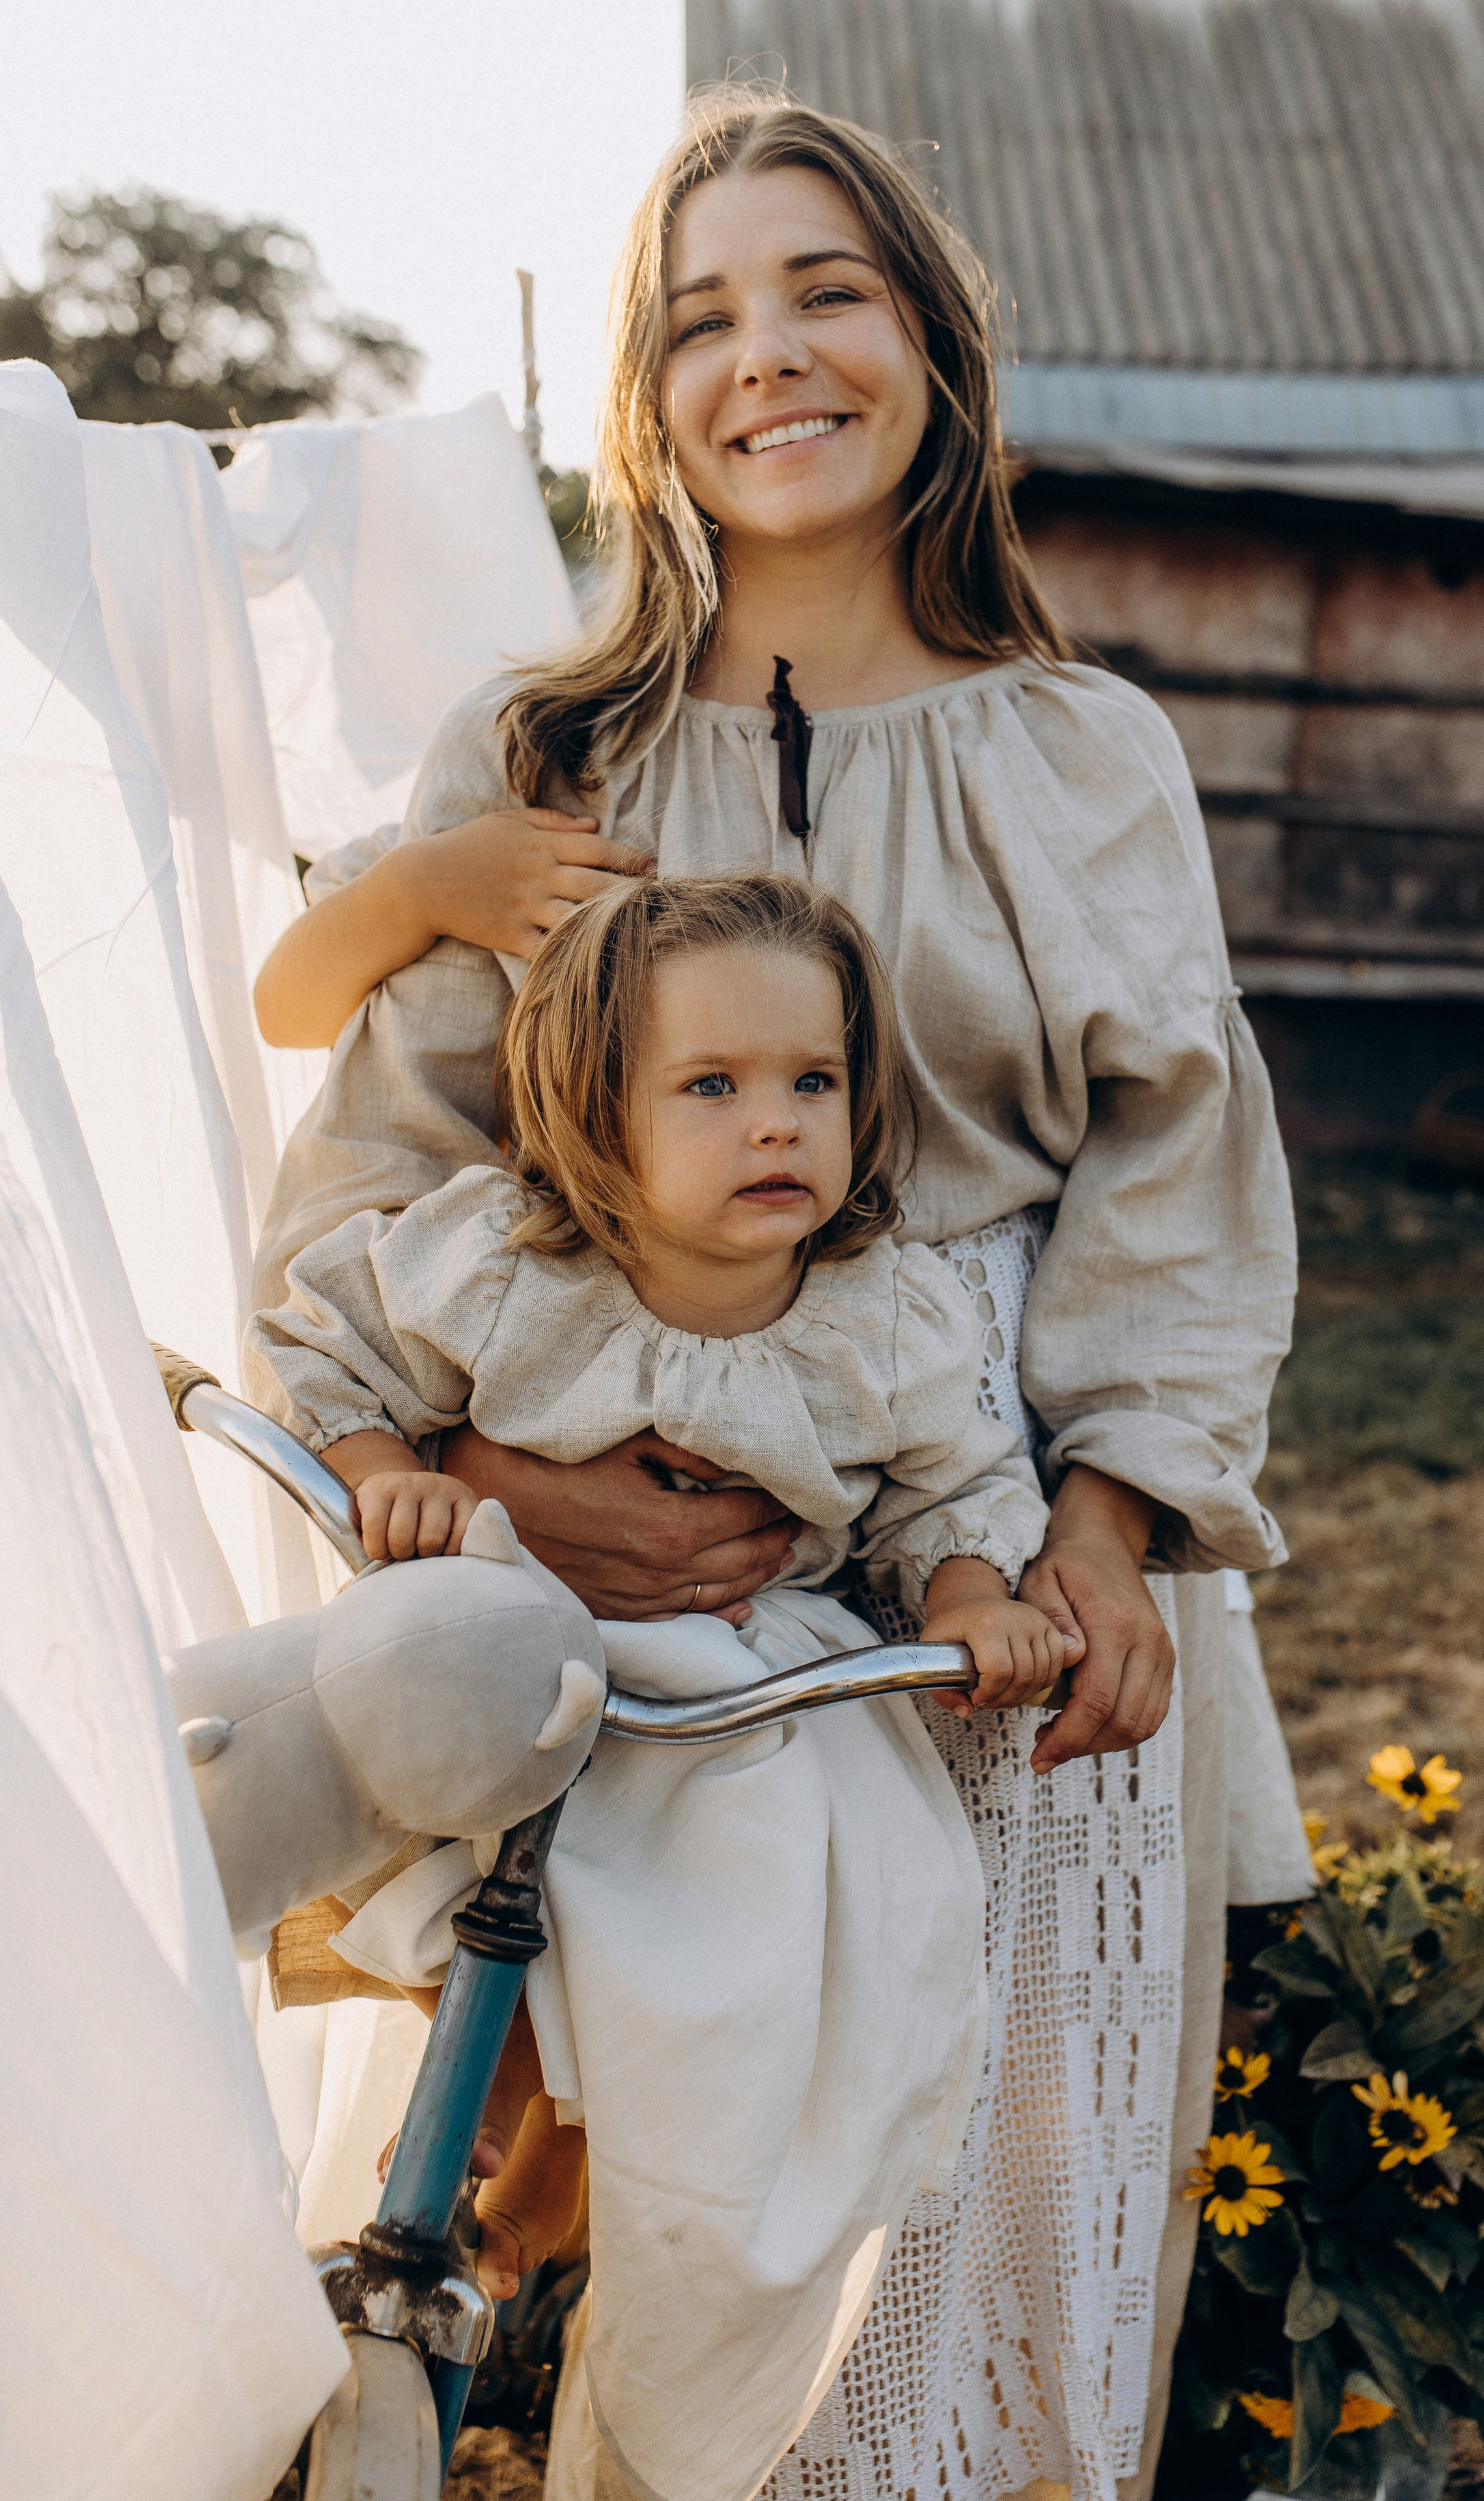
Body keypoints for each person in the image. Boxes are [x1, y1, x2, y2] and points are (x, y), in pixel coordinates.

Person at [250, 86, 1304, 2501]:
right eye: (703, 315)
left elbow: (1177, 1172)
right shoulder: (544, 754)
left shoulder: (1084, 753)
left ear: (931, 341)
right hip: (625, 1568)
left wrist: (1102, 1536)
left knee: (996, 2189)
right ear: (647, 396)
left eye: (828, 288)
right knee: (686, 2206)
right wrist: (507, 1482)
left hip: (1005, 1562)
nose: (773, 356)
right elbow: (377, 1166)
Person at [252, 872, 1072, 2500]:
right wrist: (377, 1462)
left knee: (797, 1897)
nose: (773, 1124)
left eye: (811, 1083)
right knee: (419, 1759)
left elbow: (953, 1484)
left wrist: (978, 1594)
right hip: (520, 1630)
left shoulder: (880, 1313)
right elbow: (327, 1338)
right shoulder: (504, 1262)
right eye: (711, 1088)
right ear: (593, 1111)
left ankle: (669, 2248)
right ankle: (462, 2145)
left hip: (750, 1675)